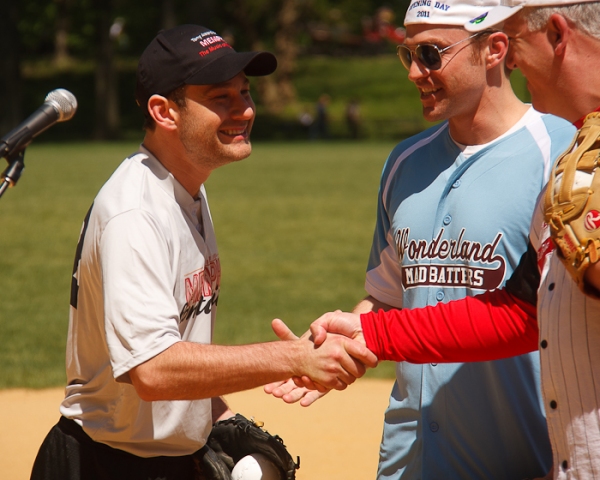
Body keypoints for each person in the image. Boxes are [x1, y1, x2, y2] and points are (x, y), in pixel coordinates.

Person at [29, 24, 377, 480]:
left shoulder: (185, 188)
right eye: (221, 98)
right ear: (164, 111)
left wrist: (217, 415)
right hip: (104, 464)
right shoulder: (135, 213)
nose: (245, 109)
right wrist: (291, 358)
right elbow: (152, 370)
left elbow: (176, 341)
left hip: (156, 460)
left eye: (245, 92)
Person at [265, 0, 577, 478]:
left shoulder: (560, 153)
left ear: (494, 49)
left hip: (520, 457)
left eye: (431, 54)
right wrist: (336, 343)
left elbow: (547, 315)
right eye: (407, 55)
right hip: (407, 460)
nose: (414, 72)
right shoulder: (404, 162)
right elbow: (390, 298)